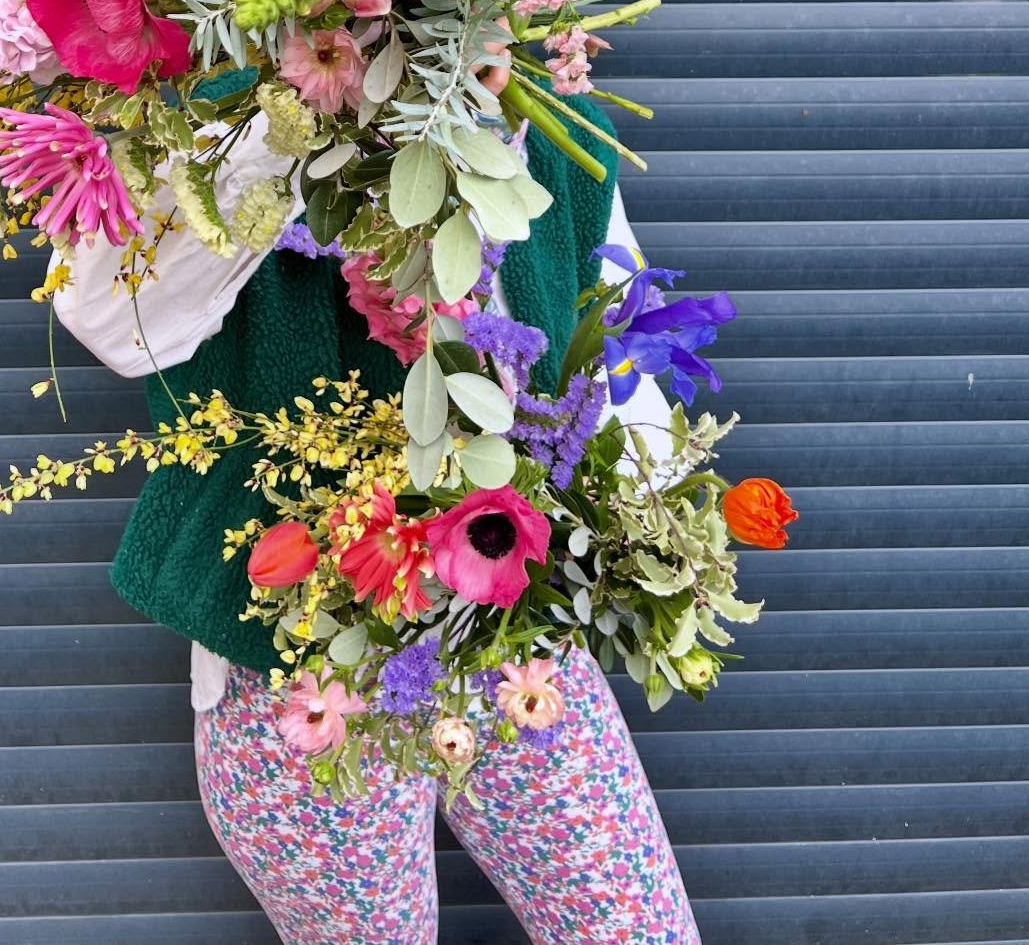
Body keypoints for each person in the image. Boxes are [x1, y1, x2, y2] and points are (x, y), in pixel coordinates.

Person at [55, 92, 700, 945]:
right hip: (303, 670)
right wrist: (279, 135)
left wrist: (654, 534)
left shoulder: (552, 117)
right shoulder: (216, 114)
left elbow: (612, 347)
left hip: (517, 646)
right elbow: (110, 320)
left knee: (637, 930)